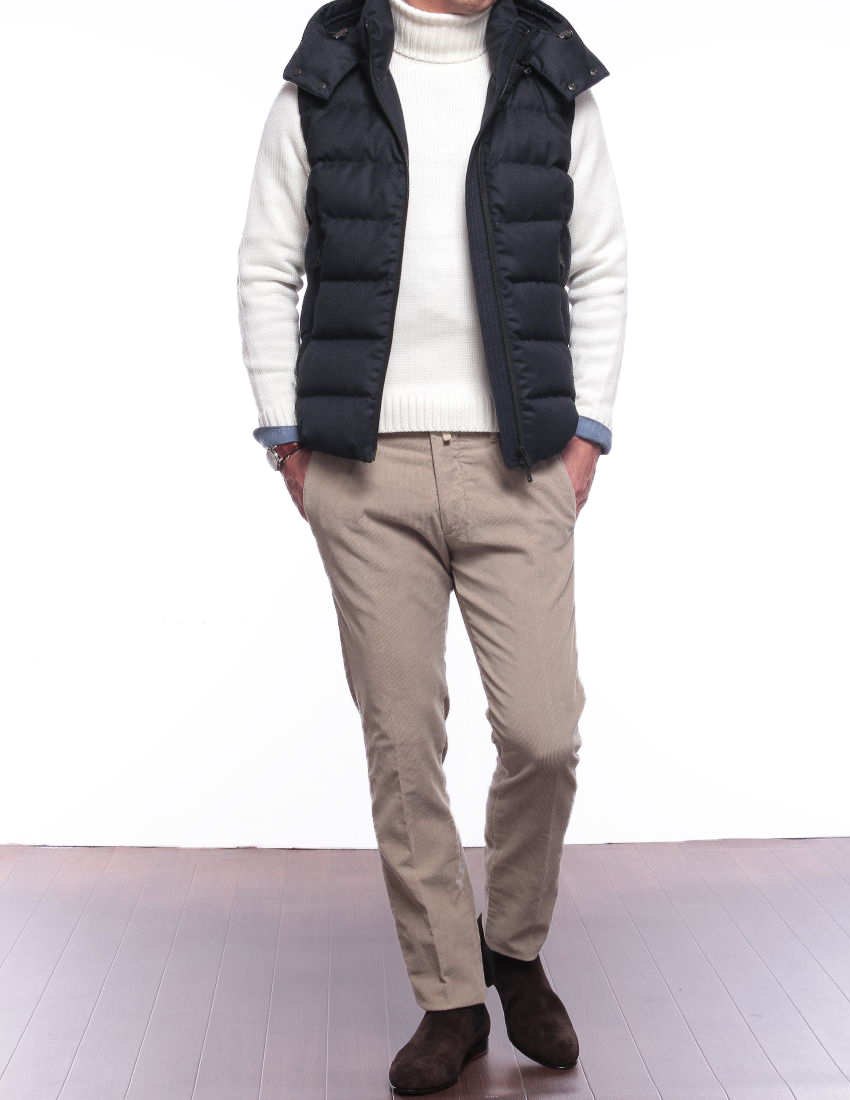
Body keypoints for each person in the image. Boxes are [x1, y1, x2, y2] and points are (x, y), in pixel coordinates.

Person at [237, 0, 627, 1091]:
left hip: (522, 459)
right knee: (403, 742)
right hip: (364, 466)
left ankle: (516, 946)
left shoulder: (551, 74)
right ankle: (449, 993)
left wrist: (586, 435)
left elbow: (599, 265)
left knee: (544, 733)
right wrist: (286, 441)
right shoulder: (322, 78)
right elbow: (267, 266)